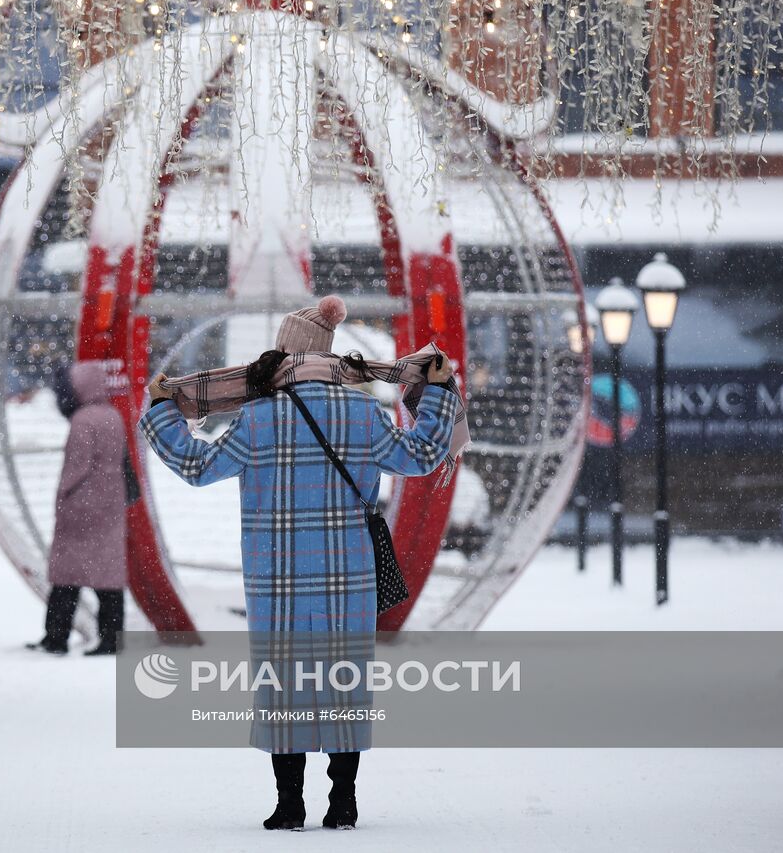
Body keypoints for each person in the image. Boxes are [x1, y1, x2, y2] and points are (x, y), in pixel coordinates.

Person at [139, 295, 461, 831]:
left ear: (283, 357)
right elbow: (423, 454)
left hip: (276, 574)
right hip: (347, 572)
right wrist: (442, 393)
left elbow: (196, 466)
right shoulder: (363, 413)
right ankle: (344, 800)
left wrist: (160, 412)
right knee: (345, 678)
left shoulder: (256, 418)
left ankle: (289, 802)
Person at [28, 361, 129, 656]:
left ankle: (55, 637)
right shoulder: (113, 416)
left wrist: (63, 494)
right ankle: (112, 637)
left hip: (82, 505)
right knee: (108, 577)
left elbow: (77, 465)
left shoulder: (83, 420)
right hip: (111, 501)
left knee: (66, 576)